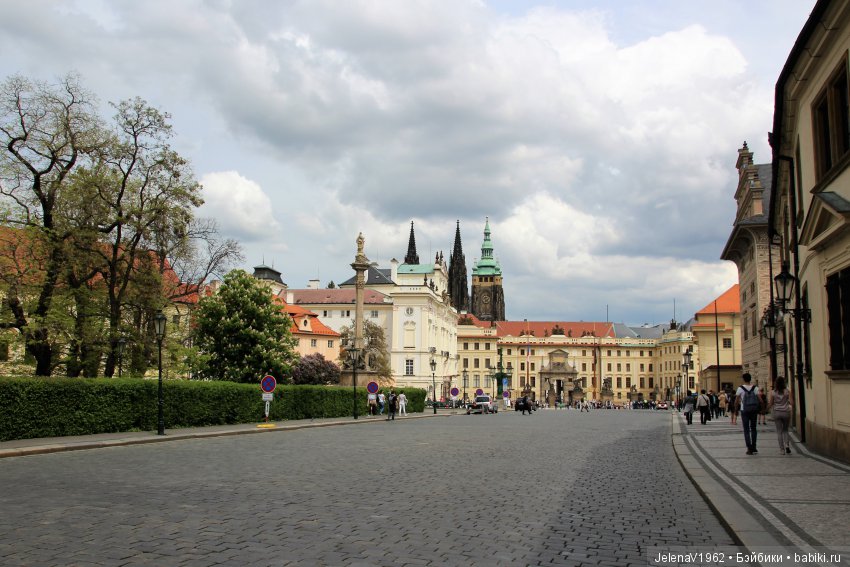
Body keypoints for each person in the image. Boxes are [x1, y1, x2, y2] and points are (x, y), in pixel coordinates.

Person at [736, 373, 760, 455]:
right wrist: (762, 408)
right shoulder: (755, 388)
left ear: (743, 379)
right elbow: (760, 399)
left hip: (744, 410)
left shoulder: (740, 388)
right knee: (753, 428)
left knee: (746, 430)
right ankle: (754, 446)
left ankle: (749, 448)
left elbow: (736, 400)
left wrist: (736, 409)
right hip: (753, 410)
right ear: (750, 379)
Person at [768, 377, 793, 454]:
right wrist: (789, 405)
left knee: (779, 431)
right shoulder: (787, 391)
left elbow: (771, 403)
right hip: (786, 412)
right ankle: (787, 445)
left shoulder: (773, 392)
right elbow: (792, 402)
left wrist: (765, 409)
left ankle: (782, 450)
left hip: (777, 413)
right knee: (785, 430)